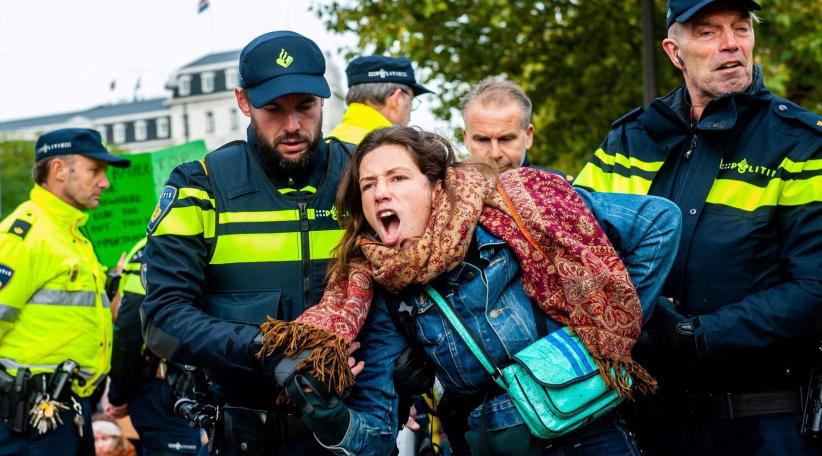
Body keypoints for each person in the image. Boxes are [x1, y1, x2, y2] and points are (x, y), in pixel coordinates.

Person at [257, 126, 681, 455]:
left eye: (398, 177)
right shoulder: (377, 288)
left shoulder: (512, 206)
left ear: (435, 186)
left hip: (594, 432)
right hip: (495, 445)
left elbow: (660, 223)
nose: (380, 191)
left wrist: (600, 333)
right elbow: (377, 437)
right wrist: (331, 419)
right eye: (368, 185)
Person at [574, 1, 822, 454]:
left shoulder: (802, 144)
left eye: (741, 28)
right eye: (708, 32)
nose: (731, 44)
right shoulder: (628, 141)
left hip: (767, 423)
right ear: (674, 51)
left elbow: (815, 289)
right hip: (647, 424)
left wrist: (695, 334)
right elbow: (566, 254)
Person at [140, 30, 355, 455]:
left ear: (323, 101)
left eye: (306, 107)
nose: (293, 126)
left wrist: (406, 359)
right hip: (249, 437)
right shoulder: (197, 186)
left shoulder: (364, 173)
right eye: (273, 109)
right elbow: (162, 320)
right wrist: (270, 349)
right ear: (243, 101)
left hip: (357, 429)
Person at [0, 128, 130, 454]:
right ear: (58, 170)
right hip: (30, 419)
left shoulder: (74, 237)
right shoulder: (25, 235)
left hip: (68, 410)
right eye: (95, 170)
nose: (105, 182)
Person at [106, 237, 202, 455]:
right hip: (219, 378)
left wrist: (118, 394)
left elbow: (129, 331)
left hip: (169, 386)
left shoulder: (154, 247)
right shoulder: (219, 236)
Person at [460, 78, 573, 181]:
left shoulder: (567, 191)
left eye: (506, 139)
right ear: (466, 139)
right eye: (482, 140)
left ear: (528, 136)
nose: (495, 154)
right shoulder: (444, 195)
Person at [328, 55, 433, 145]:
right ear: (397, 99)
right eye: (411, 102)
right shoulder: (386, 150)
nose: (410, 117)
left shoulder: (331, 141)